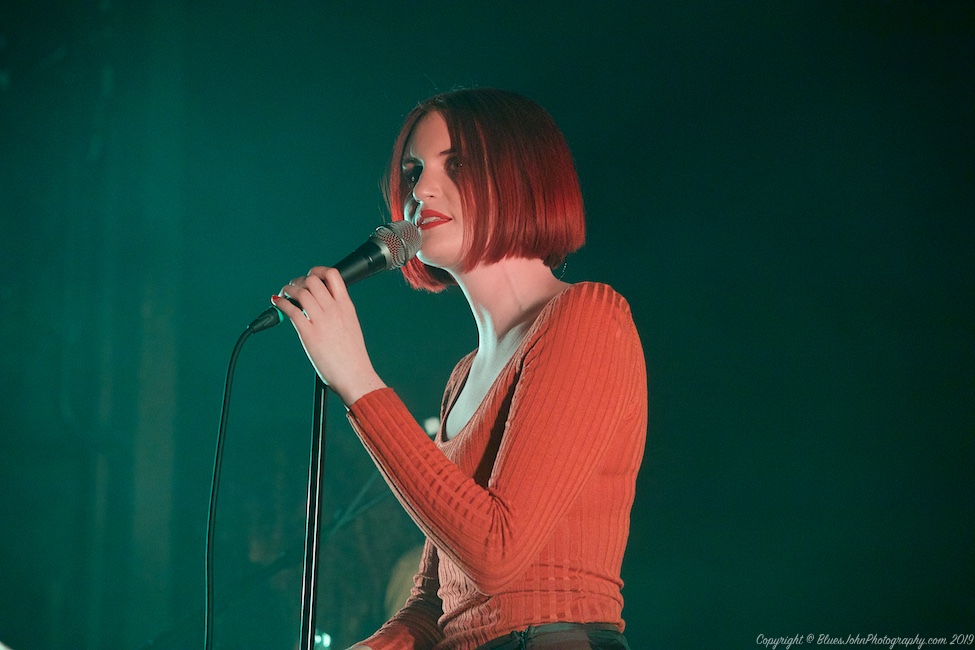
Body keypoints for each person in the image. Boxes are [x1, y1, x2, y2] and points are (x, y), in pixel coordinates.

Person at [273, 88, 647, 650]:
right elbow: (436, 602)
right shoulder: (463, 378)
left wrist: (356, 377)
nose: (420, 190)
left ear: (521, 177)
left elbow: (496, 555)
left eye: (458, 164)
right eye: (414, 170)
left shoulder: (588, 316)